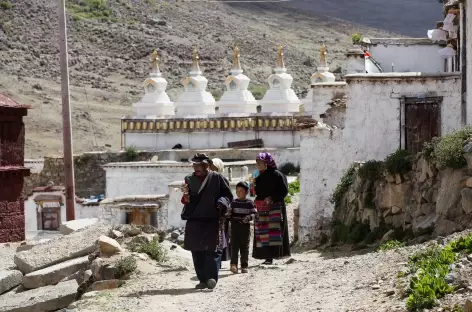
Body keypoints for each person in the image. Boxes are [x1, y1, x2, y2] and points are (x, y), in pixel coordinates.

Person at [180, 153, 233, 290]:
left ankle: (211, 278)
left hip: (212, 218)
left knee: (212, 250)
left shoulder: (217, 178)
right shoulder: (189, 180)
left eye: (199, 165)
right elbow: (186, 200)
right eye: (194, 164)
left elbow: (227, 195)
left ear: (206, 165)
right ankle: (202, 279)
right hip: (194, 218)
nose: (196, 167)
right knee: (196, 250)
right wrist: (186, 197)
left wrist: (222, 202)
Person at [252, 152, 291, 265]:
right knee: (263, 232)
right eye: (257, 162)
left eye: (260, 162)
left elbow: (284, 191)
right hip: (262, 208)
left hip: (275, 208)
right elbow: (257, 193)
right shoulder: (257, 176)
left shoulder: (277, 175)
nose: (258, 164)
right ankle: (266, 256)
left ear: (267, 163)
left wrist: (272, 198)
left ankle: (275, 255)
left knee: (274, 232)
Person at [227, 181, 256, 274]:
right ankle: (233, 265)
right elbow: (229, 215)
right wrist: (229, 213)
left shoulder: (250, 203)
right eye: (237, 191)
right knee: (234, 247)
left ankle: (244, 266)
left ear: (246, 192)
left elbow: (255, 214)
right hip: (235, 227)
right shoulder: (233, 203)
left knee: (244, 247)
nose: (239, 193)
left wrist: (249, 217)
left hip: (245, 228)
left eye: (241, 191)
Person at [208, 158, 231, 267]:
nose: (212, 170)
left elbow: (228, 196)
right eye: (211, 167)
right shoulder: (206, 180)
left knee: (220, 237)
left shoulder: (222, 179)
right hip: (208, 212)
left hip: (220, 213)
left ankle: (218, 261)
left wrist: (221, 203)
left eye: (215, 168)